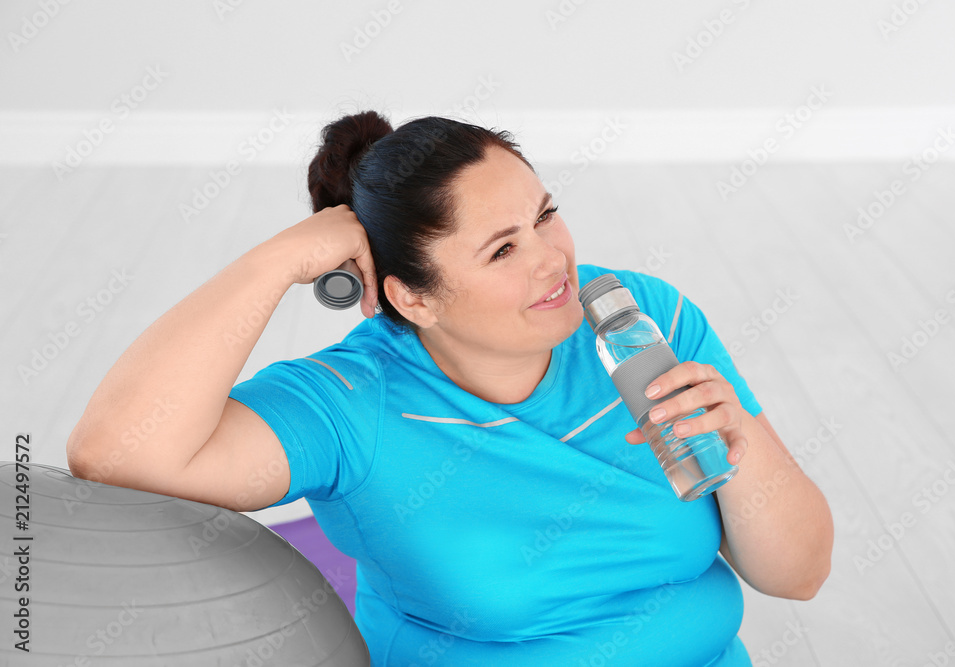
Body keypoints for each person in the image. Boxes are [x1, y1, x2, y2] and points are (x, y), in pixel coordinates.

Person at [67, 110, 834, 666]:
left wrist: (744, 444)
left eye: (546, 216)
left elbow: (798, 575)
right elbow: (113, 452)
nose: (553, 260)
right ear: (413, 298)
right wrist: (282, 259)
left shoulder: (637, 318)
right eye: (503, 249)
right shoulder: (352, 402)